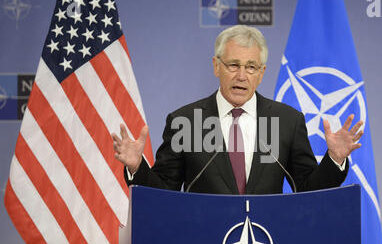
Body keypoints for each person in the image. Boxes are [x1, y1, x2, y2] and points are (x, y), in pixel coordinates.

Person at [111, 25, 363, 195]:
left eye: (251, 67)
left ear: (261, 73)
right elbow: (163, 193)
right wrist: (136, 168)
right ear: (216, 66)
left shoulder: (286, 121)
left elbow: (308, 191)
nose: (242, 76)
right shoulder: (185, 121)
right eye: (233, 65)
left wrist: (335, 159)